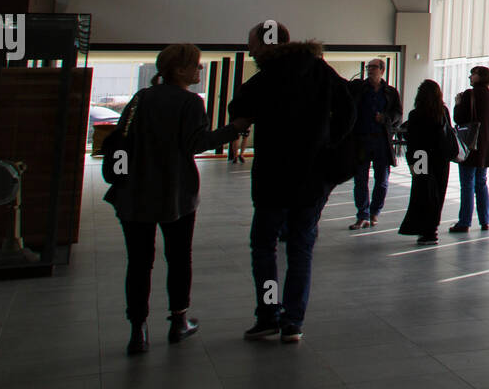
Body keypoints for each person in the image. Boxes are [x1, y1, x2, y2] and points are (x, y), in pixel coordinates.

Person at [104, 43, 239, 356]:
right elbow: (197, 143)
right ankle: (179, 321)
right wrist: (233, 129)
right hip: (174, 194)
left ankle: (138, 330)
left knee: (139, 263)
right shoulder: (190, 102)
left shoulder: (141, 98)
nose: (200, 70)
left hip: (134, 194)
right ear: (180, 70)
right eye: (196, 65)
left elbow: (122, 139)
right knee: (179, 258)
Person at [228, 32, 354, 343]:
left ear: (267, 46)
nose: (250, 50)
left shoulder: (265, 77)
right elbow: (348, 109)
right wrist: (328, 142)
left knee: (264, 248)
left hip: (272, 178)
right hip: (311, 178)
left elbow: (238, 108)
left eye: (253, 45)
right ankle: (293, 320)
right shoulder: (320, 70)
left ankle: (269, 312)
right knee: (300, 250)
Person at [347, 58, 403, 229]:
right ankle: (362, 214)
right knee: (360, 179)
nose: (370, 70)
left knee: (382, 180)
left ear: (382, 70)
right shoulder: (359, 90)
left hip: (381, 140)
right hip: (362, 140)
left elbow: (398, 116)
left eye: (374, 67)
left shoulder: (391, 92)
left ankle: (374, 212)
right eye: (369, 67)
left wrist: (385, 118)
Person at [398, 80, 453, 244]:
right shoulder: (443, 112)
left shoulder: (416, 114)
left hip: (422, 157)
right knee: (438, 193)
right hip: (441, 159)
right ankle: (432, 229)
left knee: (422, 193)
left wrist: (411, 163)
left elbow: (413, 142)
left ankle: (423, 228)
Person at [449, 66, 489, 233]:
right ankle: (485, 220)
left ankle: (465, 221)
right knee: (481, 182)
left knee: (467, 183)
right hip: (486, 145)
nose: (470, 76)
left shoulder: (470, 94)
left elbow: (460, 118)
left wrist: (457, 104)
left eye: (473, 73)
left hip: (470, 145)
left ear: (480, 76)